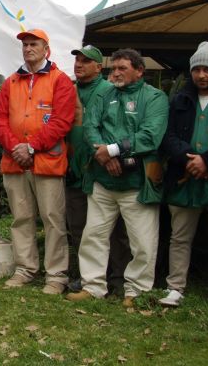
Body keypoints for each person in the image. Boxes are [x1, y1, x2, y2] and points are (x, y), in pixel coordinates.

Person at [66, 48, 168, 307]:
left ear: (139, 71)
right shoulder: (105, 94)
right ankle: (93, 286)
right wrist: (105, 156)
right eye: (114, 68)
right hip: (102, 180)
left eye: (123, 68)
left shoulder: (155, 98)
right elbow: (91, 126)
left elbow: (150, 135)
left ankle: (136, 292)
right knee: (94, 235)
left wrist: (112, 150)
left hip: (138, 182)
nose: (116, 73)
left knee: (142, 242)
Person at [0, 29, 74, 294]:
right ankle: (25, 269)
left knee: (53, 219)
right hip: (15, 161)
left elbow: (62, 121)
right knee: (21, 218)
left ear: (46, 48)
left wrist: (31, 146)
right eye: (25, 45)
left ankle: (56, 275)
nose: (28, 49)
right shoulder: (11, 82)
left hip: (47, 163)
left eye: (33, 44)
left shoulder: (60, 80)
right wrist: (16, 147)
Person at [65, 46, 131, 294]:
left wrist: (107, 156)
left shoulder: (109, 90)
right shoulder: (67, 89)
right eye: (77, 60)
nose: (79, 64)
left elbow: (114, 128)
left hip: (103, 170)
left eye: (86, 61)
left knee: (114, 231)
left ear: (98, 67)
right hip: (74, 171)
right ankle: (88, 278)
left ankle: (118, 279)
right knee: (79, 227)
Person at [158, 41, 208, 307]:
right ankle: (175, 287)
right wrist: (189, 157)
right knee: (180, 236)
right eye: (197, 69)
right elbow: (168, 136)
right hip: (183, 178)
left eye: (207, 69)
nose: (202, 75)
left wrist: (206, 161)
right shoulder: (179, 99)